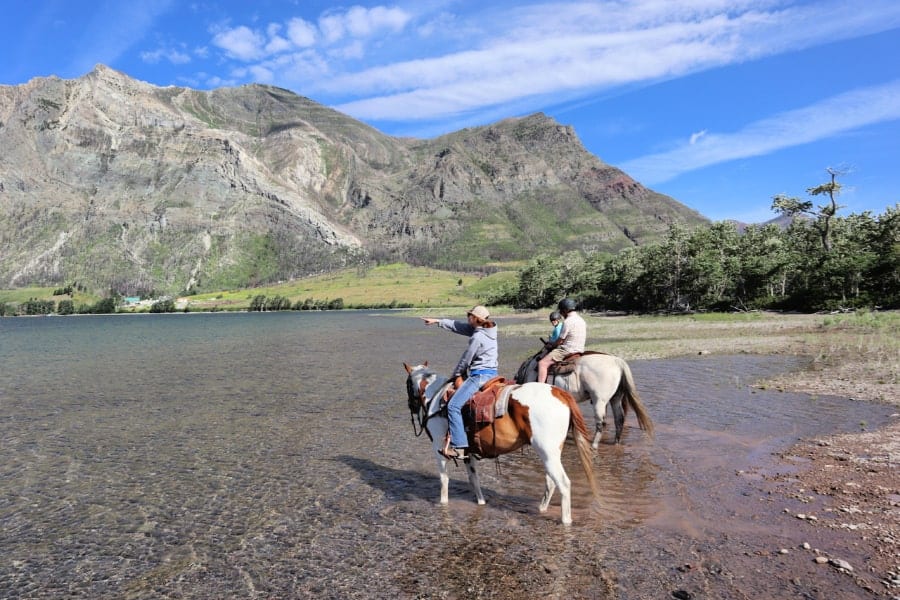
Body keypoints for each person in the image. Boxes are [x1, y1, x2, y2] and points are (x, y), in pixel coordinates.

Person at [421, 305, 498, 459]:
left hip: (479, 376)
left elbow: (466, 360)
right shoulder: (489, 330)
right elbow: (459, 326)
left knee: (453, 406)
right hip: (493, 373)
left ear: (476, 318)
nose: (467, 317)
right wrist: (438, 321)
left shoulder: (477, 337)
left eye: (470, 315)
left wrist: (455, 374)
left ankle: (460, 446)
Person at [537, 298, 586, 384]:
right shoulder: (582, 320)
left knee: (542, 363)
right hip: (580, 349)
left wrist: (551, 345)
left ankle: (540, 387)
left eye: (561, 311)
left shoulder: (568, 322)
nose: (561, 314)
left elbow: (560, 341)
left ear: (565, 310)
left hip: (567, 350)